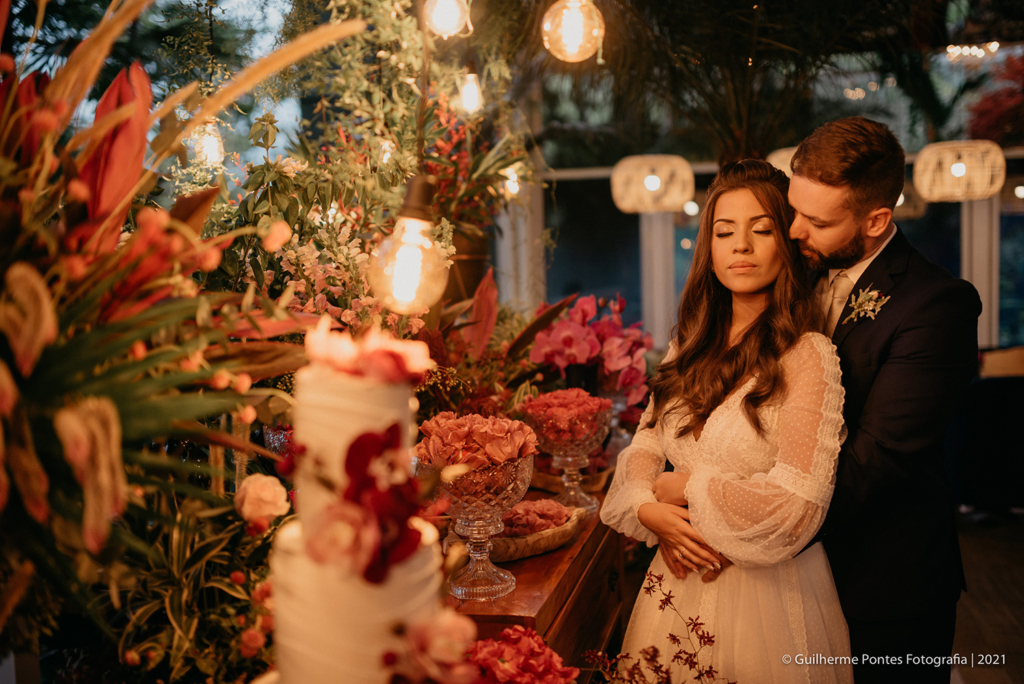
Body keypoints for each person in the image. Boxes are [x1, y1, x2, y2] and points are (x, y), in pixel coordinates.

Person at [601, 160, 852, 684]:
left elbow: (799, 503)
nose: (741, 245)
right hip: (675, 584)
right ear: (708, 248)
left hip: (767, 599)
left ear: (788, 242)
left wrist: (686, 489)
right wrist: (649, 509)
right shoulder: (689, 345)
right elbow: (647, 436)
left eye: (761, 230)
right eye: (724, 231)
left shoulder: (808, 355)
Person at [782, 117, 982, 683]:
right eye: (795, 209)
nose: (795, 230)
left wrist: (758, 525)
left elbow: (879, 460)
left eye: (817, 221)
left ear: (876, 220)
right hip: (795, 576)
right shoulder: (797, 267)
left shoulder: (936, 305)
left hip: (885, 580)